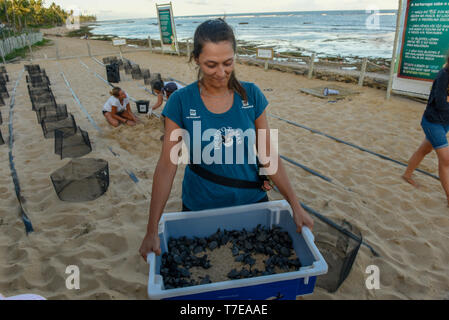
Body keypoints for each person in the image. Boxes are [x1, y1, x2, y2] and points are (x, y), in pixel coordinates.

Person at [139, 18, 313, 260]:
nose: (221, 73)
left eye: (228, 63)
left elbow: (268, 154)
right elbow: (167, 166)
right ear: (196, 59)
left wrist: (295, 205)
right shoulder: (180, 101)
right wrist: (151, 230)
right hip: (200, 208)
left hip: (252, 202)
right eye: (211, 64)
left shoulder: (251, 95)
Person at [402, 54, 449, 205]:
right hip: (432, 122)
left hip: (445, 122)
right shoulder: (444, 75)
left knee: (425, 149)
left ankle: (407, 175)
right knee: (446, 160)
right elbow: (441, 104)